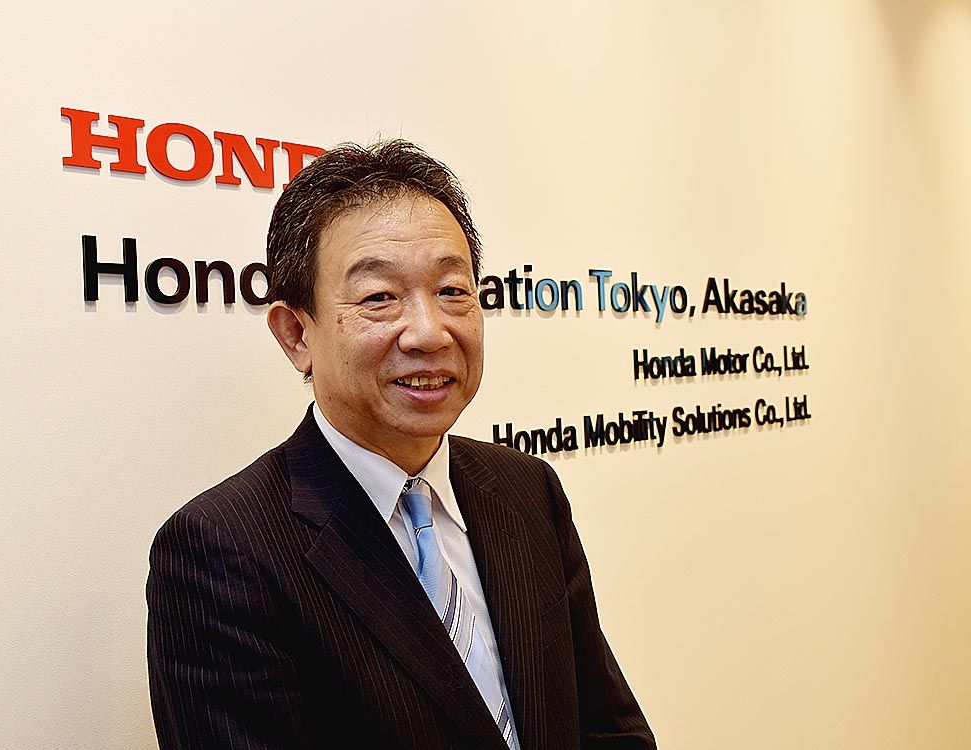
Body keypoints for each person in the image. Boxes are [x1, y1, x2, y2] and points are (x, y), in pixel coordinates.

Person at [146, 140, 656, 749]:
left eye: (452, 291)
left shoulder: (528, 488)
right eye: (379, 298)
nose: (429, 333)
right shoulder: (223, 551)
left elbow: (605, 726)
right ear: (296, 334)